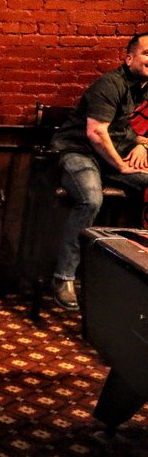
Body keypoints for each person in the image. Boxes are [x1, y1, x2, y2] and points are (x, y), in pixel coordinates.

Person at [48, 32, 148, 310]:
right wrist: (121, 165)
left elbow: (130, 130)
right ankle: (64, 278)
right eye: (147, 53)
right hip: (79, 152)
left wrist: (142, 146)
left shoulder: (144, 88)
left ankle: (136, 275)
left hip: (112, 156)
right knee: (91, 199)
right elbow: (96, 133)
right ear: (129, 58)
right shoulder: (109, 84)